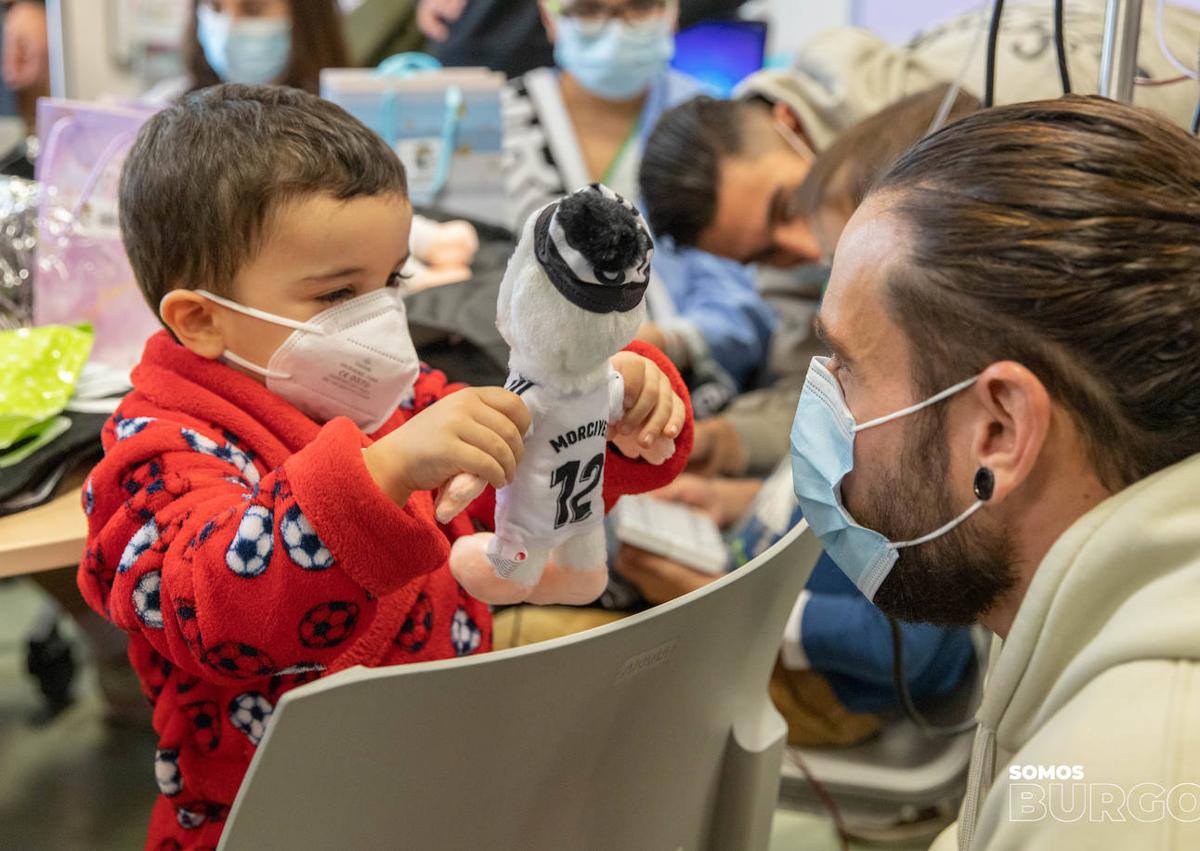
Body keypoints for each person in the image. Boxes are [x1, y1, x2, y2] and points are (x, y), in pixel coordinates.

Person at [77, 84, 692, 848]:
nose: (380, 318)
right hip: (267, 819)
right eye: (338, 293)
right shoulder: (156, 451)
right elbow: (212, 611)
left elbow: (504, 493)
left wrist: (599, 416)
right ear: (200, 318)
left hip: (432, 781)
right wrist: (382, 474)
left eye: (391, 281)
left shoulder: (399, 402)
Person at [791, 95, 1200, 849]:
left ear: (1000, 431)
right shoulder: (1074, 618)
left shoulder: (1133, 792)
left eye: (846, 364)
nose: (819, 402)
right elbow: (1027, 794)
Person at [642, 84, 979, 477]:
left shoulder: (942, 109)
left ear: (791, 124)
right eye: (765, 255)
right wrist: (721, 442)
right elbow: (818, 391)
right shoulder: (781, 284)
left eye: (787, 207)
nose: (807, 248)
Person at [504, 0, 774, 408]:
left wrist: (668, 342)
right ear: (548, 16)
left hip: (679, 396)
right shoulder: (505, 121)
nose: (617, 29)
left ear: (672, 11)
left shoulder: (712, 125)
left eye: (639, 7)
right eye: (589, 11)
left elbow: (746, 295)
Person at [614, 463, 975, 747]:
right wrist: (732, 499)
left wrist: (719, 597)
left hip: (825, 682)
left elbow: (898, 645)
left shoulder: (929, 467)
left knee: (582, 665)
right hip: (747, 590)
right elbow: (810, 498)